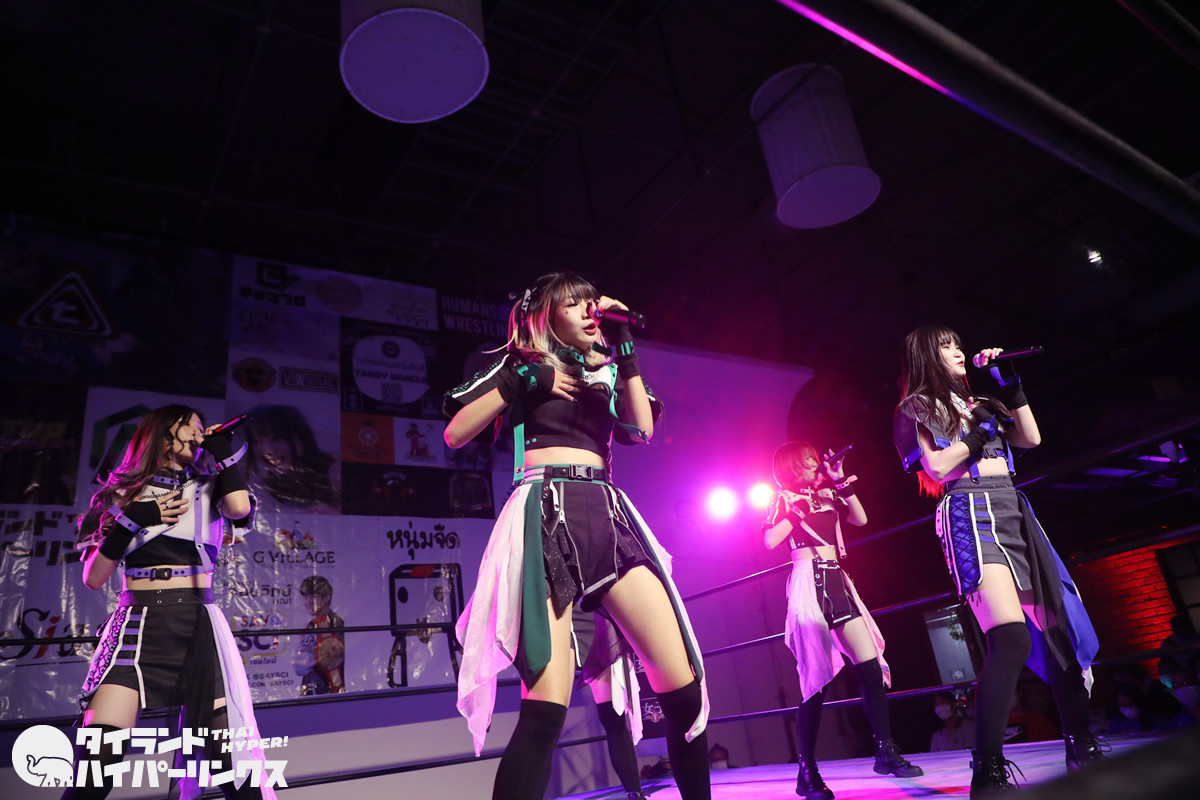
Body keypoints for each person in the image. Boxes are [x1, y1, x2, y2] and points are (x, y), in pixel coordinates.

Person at [444, 272, 709, 800]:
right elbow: (455, 433)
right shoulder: (517, 361)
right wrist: (520, 381)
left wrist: (625, 347)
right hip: (543, 508)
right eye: (575, 304)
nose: (591, 312)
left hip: (606, 511)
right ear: (545, 314)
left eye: (594, 303)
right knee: (545, 710)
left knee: (684, 691)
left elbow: (641, 429)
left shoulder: (607, 367)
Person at [894, 326, 1101, 798]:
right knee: (1009, 638)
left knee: (1061, 634)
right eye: (946, 345)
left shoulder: (982, 400)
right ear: (926, 354)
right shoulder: (917, 407)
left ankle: (1081, 748)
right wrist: (975, 435)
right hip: (970, 510)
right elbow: (937, 468)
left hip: (1013, 506)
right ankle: (987, 771)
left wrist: (1011, 386)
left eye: (957, 343)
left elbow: (1031, 438)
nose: (958, 350)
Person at [66, 405, 274, 800]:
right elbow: (93, 578)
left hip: (197, 627)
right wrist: (132, 518)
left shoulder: (210, 488)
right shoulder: (121, 495)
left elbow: (240, 509)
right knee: (95, 763)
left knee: (229, 765)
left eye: (202, 429)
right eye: (191, 427)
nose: (198, 433)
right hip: (136, 628)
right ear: (164, 433)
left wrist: (223, 452)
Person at [763, 441, 922, 800]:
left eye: (814, 458)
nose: (815, 463)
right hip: (808, 580)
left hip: (837, 578)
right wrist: (797, 510)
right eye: (808, 460)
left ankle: (885, 751)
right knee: (815, 681)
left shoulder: (825, 493)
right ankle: (807, 770)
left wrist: (840, 483)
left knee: (870, 668)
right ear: (791, 465)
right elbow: (771, 540)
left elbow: (860, 519)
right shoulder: (782, 498)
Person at [242, 404, 340, 514]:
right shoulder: (260, 488)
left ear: (301, 437)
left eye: (277, 438)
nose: (268, 450)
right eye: (256, 441)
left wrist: (337, 513)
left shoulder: (336, 474)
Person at [297, 576, 346, 695]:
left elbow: (329, 659)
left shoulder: (322, 623)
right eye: (305, 597)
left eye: (313, 597)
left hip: (319, 687)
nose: (308, 602)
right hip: (325, 685)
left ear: (326, 597)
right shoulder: (327, 621)